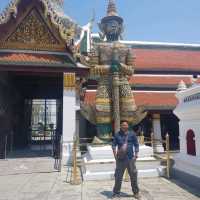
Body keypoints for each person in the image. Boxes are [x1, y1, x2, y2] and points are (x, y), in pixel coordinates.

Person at [112, 120, 140, 199]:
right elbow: (113, 145)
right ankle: (116, 192)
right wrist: (115, 154)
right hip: (120, 159)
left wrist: (136, 154)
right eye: (123, 125)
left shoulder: (132, 134)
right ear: (120, 126)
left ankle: (136, 192)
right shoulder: (117, 135)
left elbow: (136, 144)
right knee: (118, 176)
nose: (124, 126)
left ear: (128, 126)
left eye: (125, 125)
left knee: (133, 176)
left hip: (130, 158)